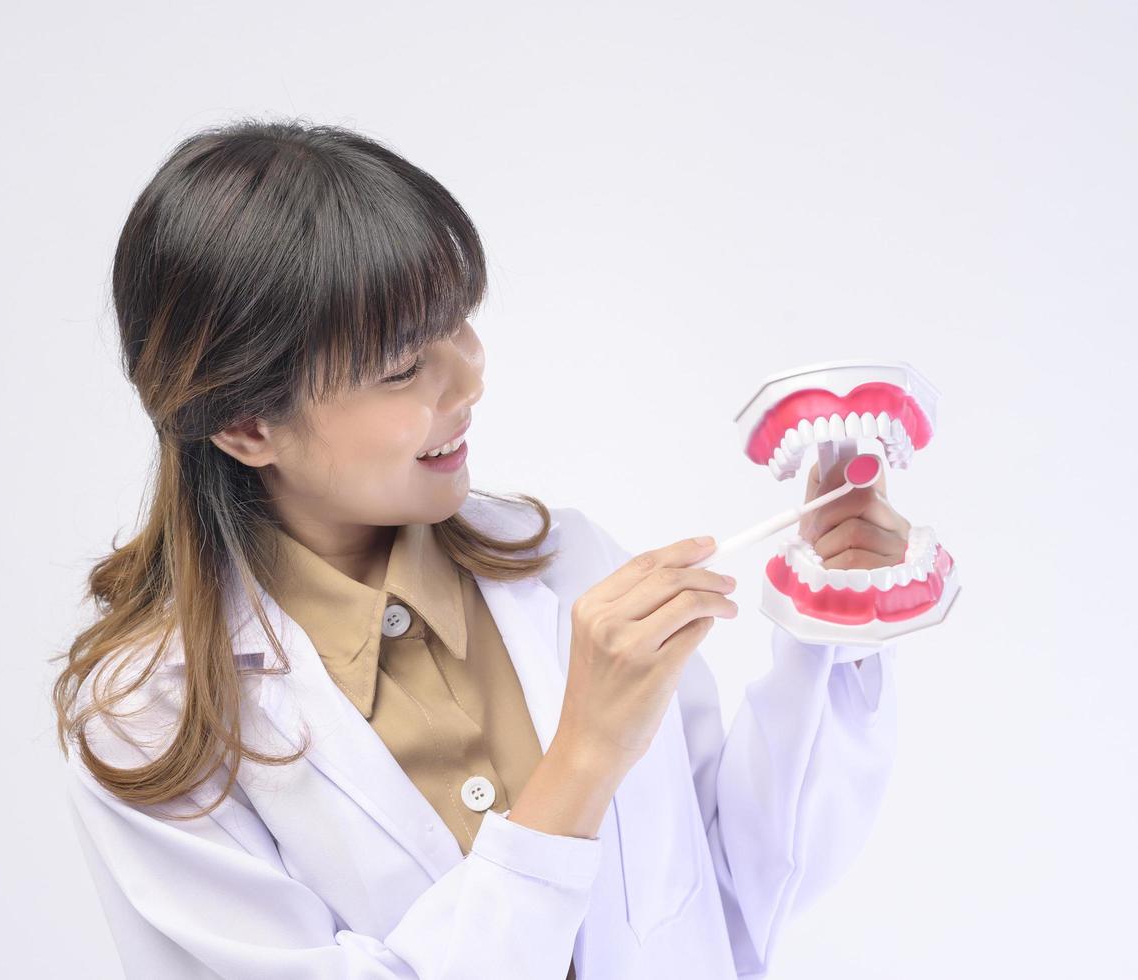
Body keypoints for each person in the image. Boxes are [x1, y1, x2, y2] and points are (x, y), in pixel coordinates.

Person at [51, 117, 904, 979]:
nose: (468, 378)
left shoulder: (567, 560)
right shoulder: (151, 725)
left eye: (456, 323)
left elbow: (734, 892)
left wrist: (825, 627)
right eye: (399, 367)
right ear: (244, 426)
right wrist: (582, 757)